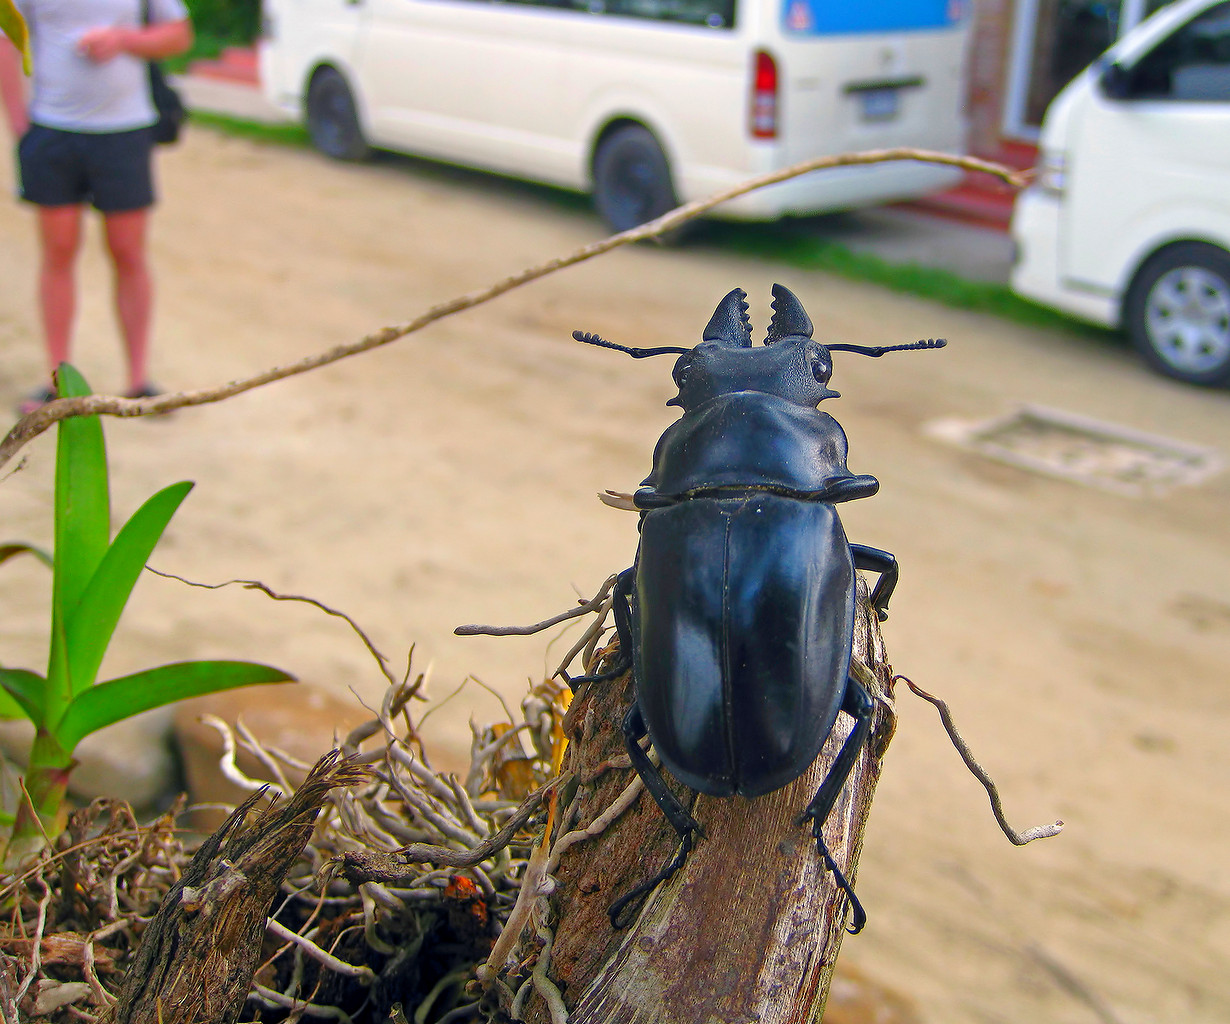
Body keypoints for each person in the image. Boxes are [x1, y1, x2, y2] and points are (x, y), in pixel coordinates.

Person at [0, 0, 192, 414]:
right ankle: (57, 383)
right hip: (52, 131)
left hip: (124, 132)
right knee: (58, 253)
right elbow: (6, 41)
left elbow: (179, 34)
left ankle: (139, 382)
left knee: (128, 253)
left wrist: (124, 39)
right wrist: (18, 124)